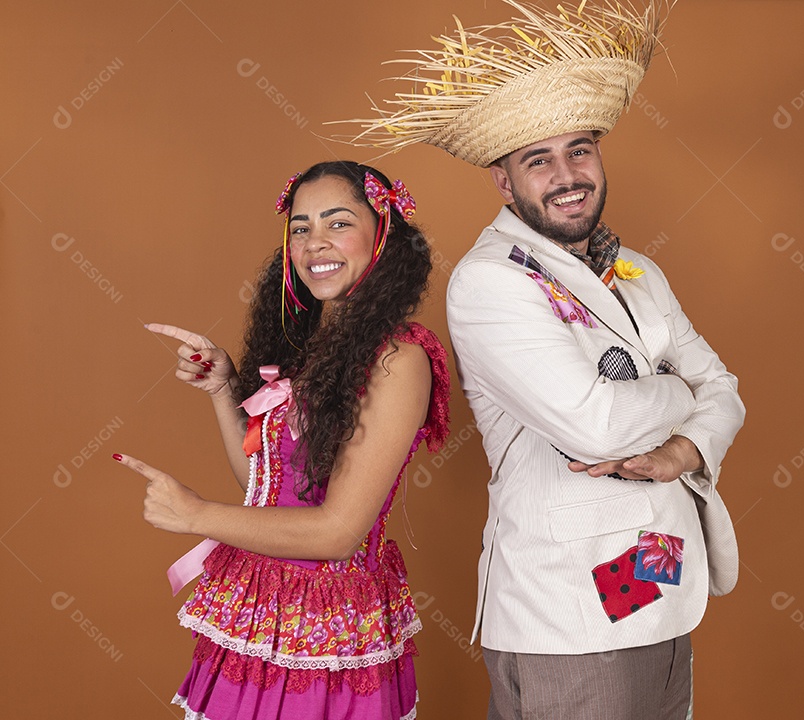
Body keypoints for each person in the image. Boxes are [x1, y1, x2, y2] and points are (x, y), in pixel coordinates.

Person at [337, 2, 745, 717]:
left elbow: (727, 391)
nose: (567, 175)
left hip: (665, 583)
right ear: (504, 182)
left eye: (579, 150)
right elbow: (598, 427)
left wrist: (684, 451)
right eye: (538, 160)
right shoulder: (491, 282)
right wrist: (680, 391)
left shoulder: (640, 271)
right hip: (571, 610)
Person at [115, 161, 450, 720]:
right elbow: (265, 493)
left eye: (338, 223)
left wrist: (196, 514)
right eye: (300, 227)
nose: (315, 242)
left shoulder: (398, 358)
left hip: (329, 627)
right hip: (261, 607)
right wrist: (223, 387)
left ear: (382, 231)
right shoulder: (311, 344)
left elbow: (338, 532)